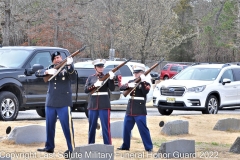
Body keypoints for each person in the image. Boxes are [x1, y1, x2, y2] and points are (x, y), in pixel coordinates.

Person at [35, 51, 76, 159]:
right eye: (56, 58)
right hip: (51, 102)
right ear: (53, 60)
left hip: (63, 101)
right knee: (49, 126)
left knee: (67, 127)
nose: (58, 59)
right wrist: (48, 71)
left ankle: (72, 149)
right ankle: (49, 146)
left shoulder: (67, 68)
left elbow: (74, 78)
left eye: (59, 57)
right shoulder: (50, 68)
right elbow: (38, 73)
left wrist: (69, 66)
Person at [117, 63, 153, 152]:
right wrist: (129, 86)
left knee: (143, 129)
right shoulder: (131, 81)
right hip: (130, 109)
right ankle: (125, 145)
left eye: (138, 73)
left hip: (140, 110)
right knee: (126, 128)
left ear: (142, 73)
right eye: (135, 72)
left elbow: (145, 91)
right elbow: (121, 88)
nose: (135, 74)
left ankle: (149, 147)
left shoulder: (146, 83)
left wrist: (143, 81)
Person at [84, 59, 115, 145]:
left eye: (102, 67)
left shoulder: (107, 77)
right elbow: (86, 90)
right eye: (99, 67)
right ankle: (90, 145)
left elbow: (112, 89)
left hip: (104, 104)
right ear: (95, 68)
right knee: (92, 127)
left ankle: (107, 145)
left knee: (105, 127)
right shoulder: (91, 77)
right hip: (93, 104)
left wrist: (111, 79)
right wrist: (94, 85)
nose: (101, 68)